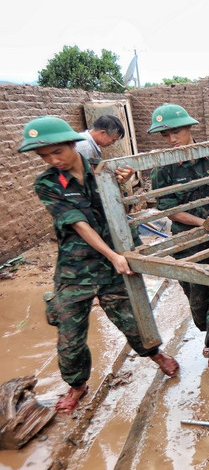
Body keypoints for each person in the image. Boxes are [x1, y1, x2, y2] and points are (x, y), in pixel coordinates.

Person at [19, 116, 179, 414]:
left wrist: (126, 182)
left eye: (58, 152)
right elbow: (78, 223)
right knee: (69, 332)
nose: (53, 160)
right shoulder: (47, 184)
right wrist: (113, 255)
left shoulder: (103, 172)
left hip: (113, 265)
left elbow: (123, 210)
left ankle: (155, 355)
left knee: (132, 320)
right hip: (75, 269)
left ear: (73, 145)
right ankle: (77, 384)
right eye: (44, 156)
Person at [148, 104, 209, 379]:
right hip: (187, 241)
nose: (171, 139)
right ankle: (208, 331)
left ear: (189, 128)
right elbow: (171, 210)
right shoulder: (162, 168)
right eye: (166, 135)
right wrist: (203, 224)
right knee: (198, 300)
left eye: (176, 132)